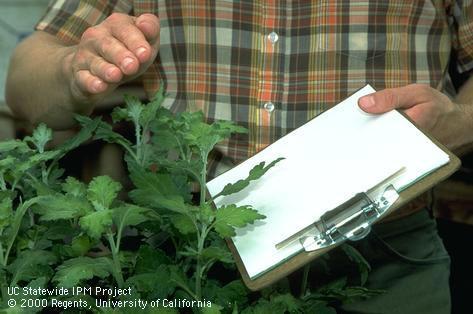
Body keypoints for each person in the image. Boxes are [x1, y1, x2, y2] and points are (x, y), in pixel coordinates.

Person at [5, 1, 473, 313]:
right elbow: (28, 76)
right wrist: (72, 69)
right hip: (186, 254)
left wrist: (460, 121)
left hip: (385, 245)